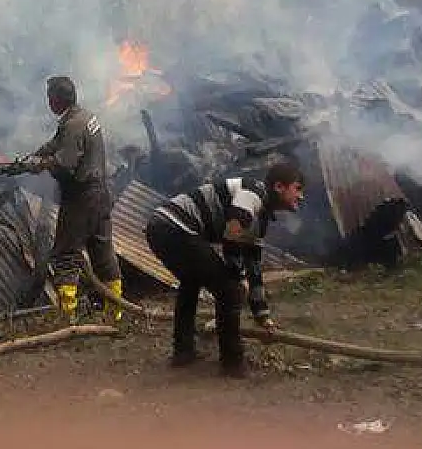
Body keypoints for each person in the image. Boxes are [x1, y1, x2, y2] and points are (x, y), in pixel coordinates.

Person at [143, 161, 307, 378]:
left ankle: (183, 352)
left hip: (161, 226)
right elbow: (233, 230)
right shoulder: (253, 193)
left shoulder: (260, 219)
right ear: (279, 186)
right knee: (230, 291)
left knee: (191, 282)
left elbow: (254, 269)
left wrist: (262, 315)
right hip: (174, 227)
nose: (301, 196)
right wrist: (237, 277)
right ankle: (232, 363)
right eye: (298, 188)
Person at [19, 75, 123, 322]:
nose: (48, 101)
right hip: (100, 195)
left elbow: (65, 164)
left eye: (49, 97)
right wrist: (31, 157)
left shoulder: (73, 125)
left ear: (56, 100)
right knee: (103, 254)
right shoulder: (83, 117)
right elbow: (57, 143)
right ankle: (115, 312)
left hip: (81, 198)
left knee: (66, 255)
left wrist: (40, 166)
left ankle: (67, 318)